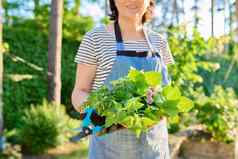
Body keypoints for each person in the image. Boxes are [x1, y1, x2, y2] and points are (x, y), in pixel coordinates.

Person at [71, 0, 174, 158]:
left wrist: (160, 106)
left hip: (154, 148)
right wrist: (104, 113)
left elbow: (166, 90)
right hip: (108, 148)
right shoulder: (95, 38)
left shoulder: (159, 41)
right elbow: (79, 91)